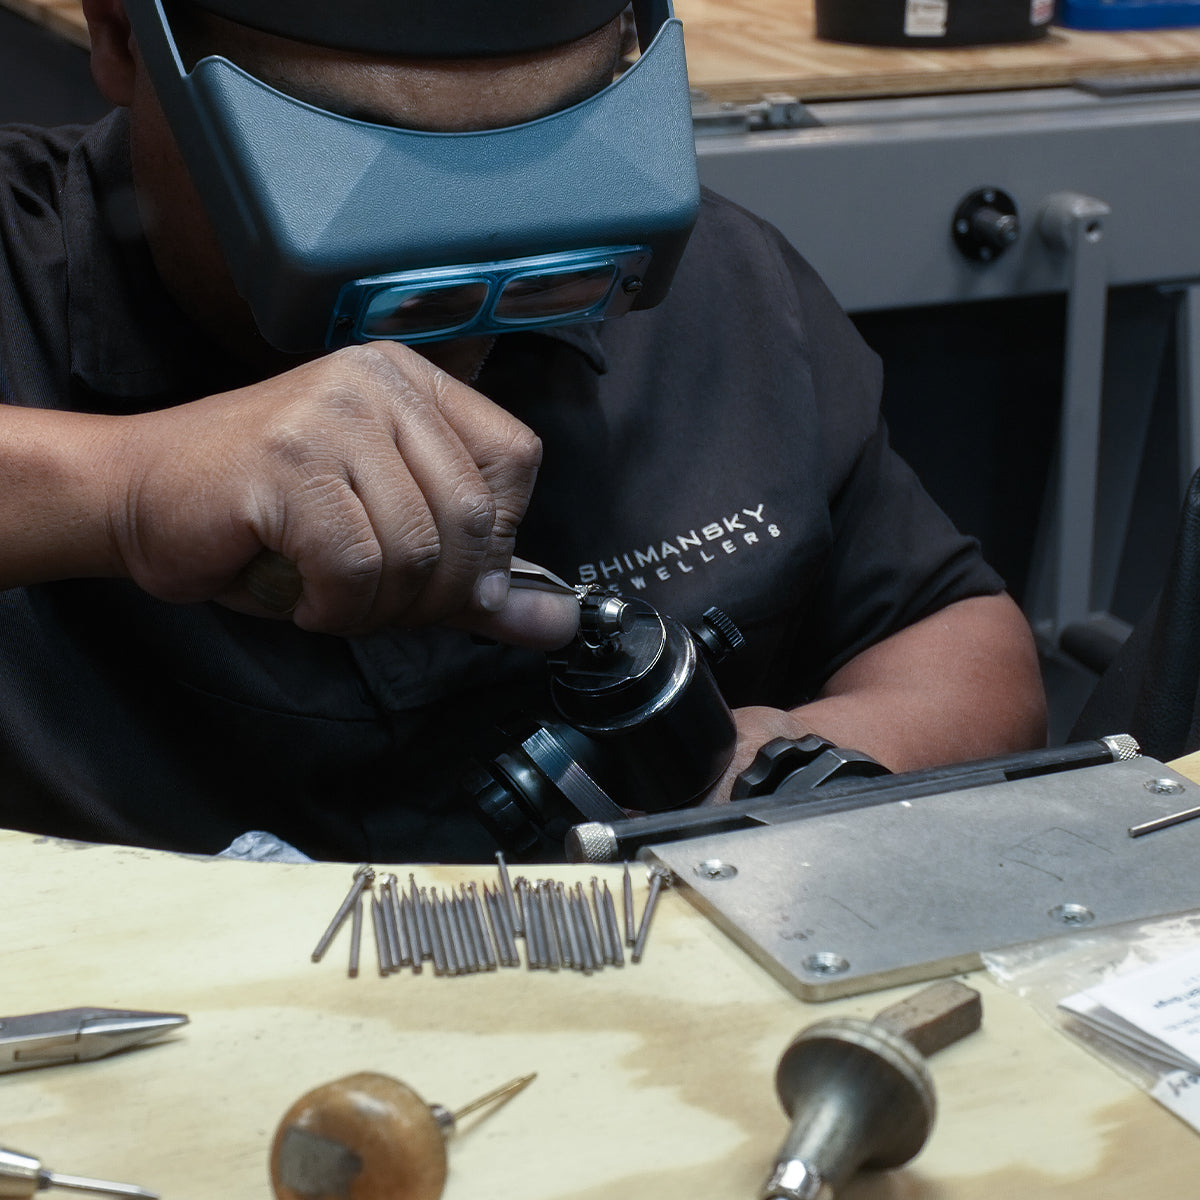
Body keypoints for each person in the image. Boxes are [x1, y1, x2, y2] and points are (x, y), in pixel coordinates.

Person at [0, 0, 1046, 861]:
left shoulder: (717, 290)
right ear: (127, 38)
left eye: (542, 147)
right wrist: (117, 491)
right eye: (360, 162)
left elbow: (955, 638)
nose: (465, 238)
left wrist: (780, 778)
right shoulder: (19, 275)